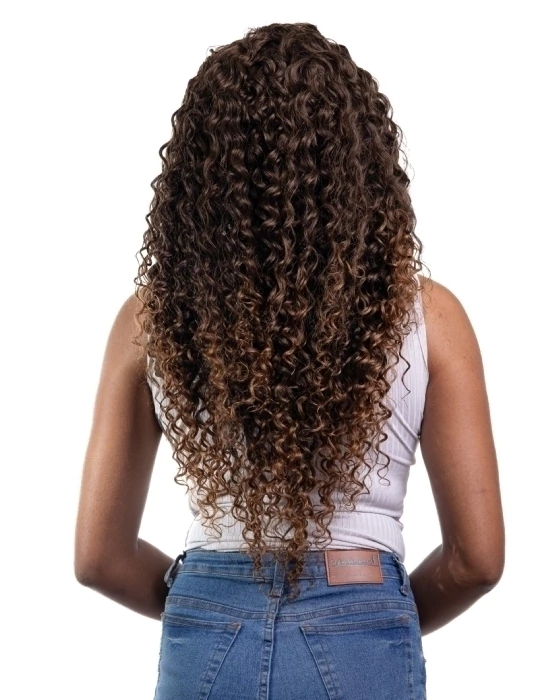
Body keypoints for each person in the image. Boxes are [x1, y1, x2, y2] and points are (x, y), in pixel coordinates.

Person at [74, 22, 505, 700]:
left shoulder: (151, 320)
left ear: (202, 175)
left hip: (206, 629)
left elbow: (99, 558)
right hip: (362, 626)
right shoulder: (431, 318)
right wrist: (369, 617)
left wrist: (213, 604)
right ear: (361, 163)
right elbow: (477, 560)